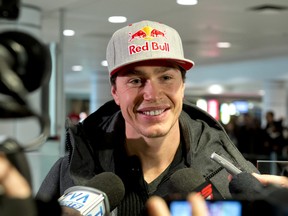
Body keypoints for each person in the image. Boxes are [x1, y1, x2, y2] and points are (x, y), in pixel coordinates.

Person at [36, 20, 262, 215]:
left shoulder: (232, 177)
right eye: (135, 80)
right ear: (115, 92)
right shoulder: (69, 172)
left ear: (183, 86)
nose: (152, 94)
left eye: (165, 77)